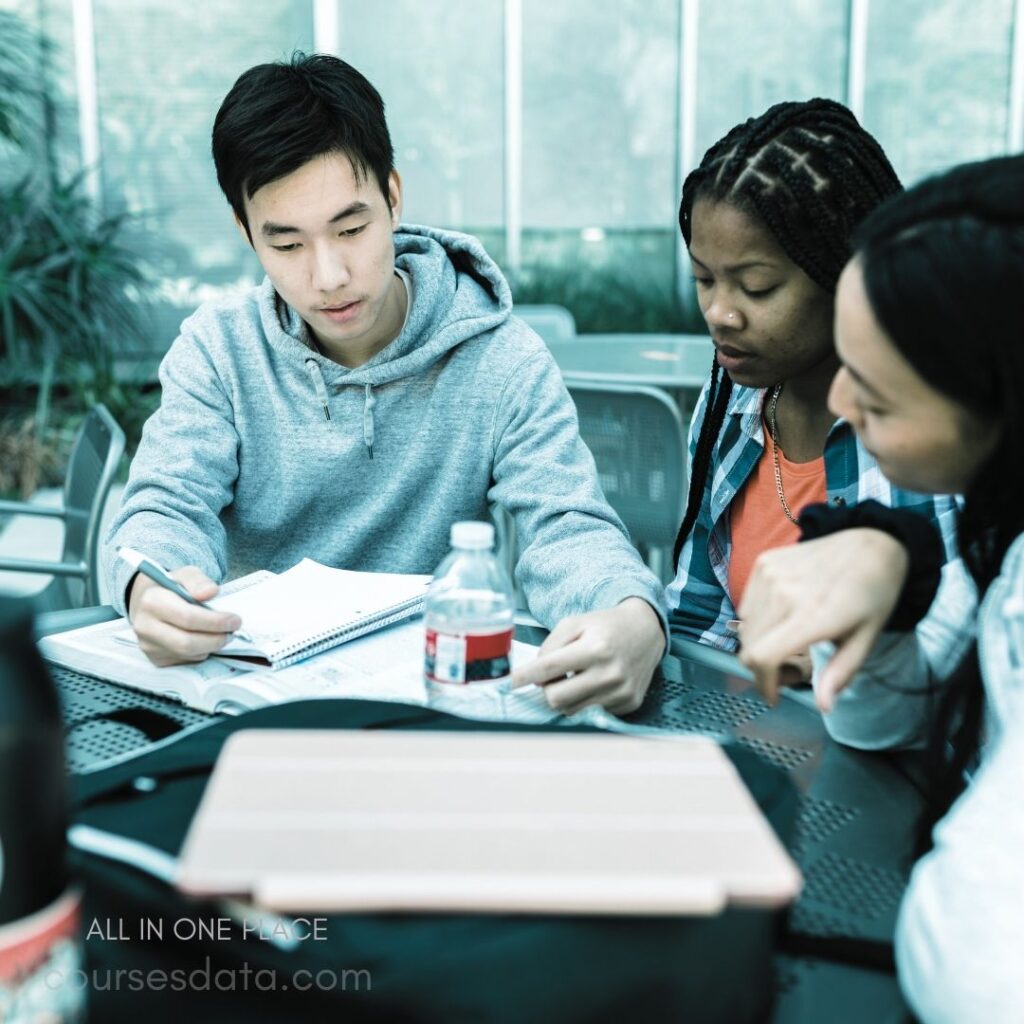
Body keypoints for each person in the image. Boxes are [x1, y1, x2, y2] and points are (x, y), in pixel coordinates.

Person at [105, 53, 665, 715]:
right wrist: (151, 586)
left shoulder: (500, 359)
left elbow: (569, 529)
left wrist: (634, 620)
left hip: (429, 702)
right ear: (245, 232)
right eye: (287, 245)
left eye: (351, 228)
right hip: (254, 703)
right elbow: (164, 510)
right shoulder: (218, 350)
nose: (330, 275)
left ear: (394, 197)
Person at [737, 154, 1024, 1023]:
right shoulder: (1000, 539)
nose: (846, 408)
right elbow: (880, 720)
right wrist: (892, 575)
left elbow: (977, 974)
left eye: (883, 395)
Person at [665, 99, 958, 661]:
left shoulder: (929, 426)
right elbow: (699, 618)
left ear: (846, 272)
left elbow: (967, 652)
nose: (720, 313)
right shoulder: (730, 399)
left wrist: (845, 658)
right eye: (704, 279)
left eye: (756, 288)